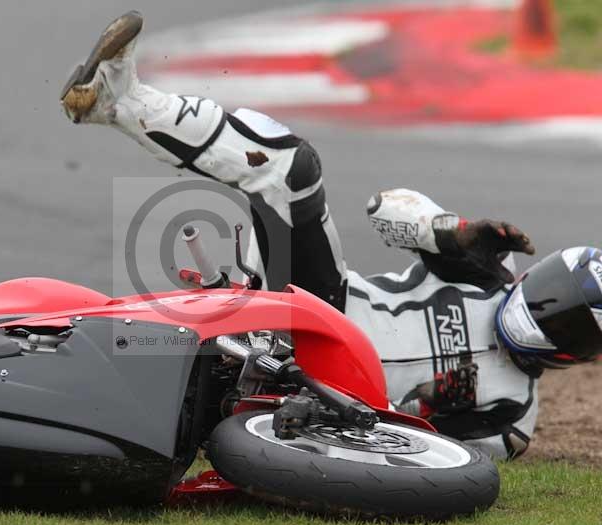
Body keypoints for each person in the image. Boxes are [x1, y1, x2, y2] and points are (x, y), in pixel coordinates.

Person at [59, 11, 602, 459]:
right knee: (289, 165)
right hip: (318, 307)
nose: (545, 313)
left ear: (579, 354)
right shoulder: (483, 271)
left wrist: (415, 413)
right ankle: (117, 100)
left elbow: (439, 464)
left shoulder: (511, 416)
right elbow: (383, 208)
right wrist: (447, 233)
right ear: (539, 269)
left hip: (336, 401)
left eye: (568, 322)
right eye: (552, 290)